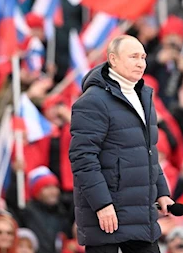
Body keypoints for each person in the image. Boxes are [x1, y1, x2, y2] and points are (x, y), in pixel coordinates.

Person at [69, 35, 173, 252]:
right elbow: (82, 158)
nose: (140, 63)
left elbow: (148, 152)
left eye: (143, 57)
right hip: (107, 217)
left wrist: (162, 191)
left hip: (141, 215)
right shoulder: (92, 101)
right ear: (113, 60)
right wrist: (102, 205)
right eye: (133, 56)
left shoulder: (144, 96)